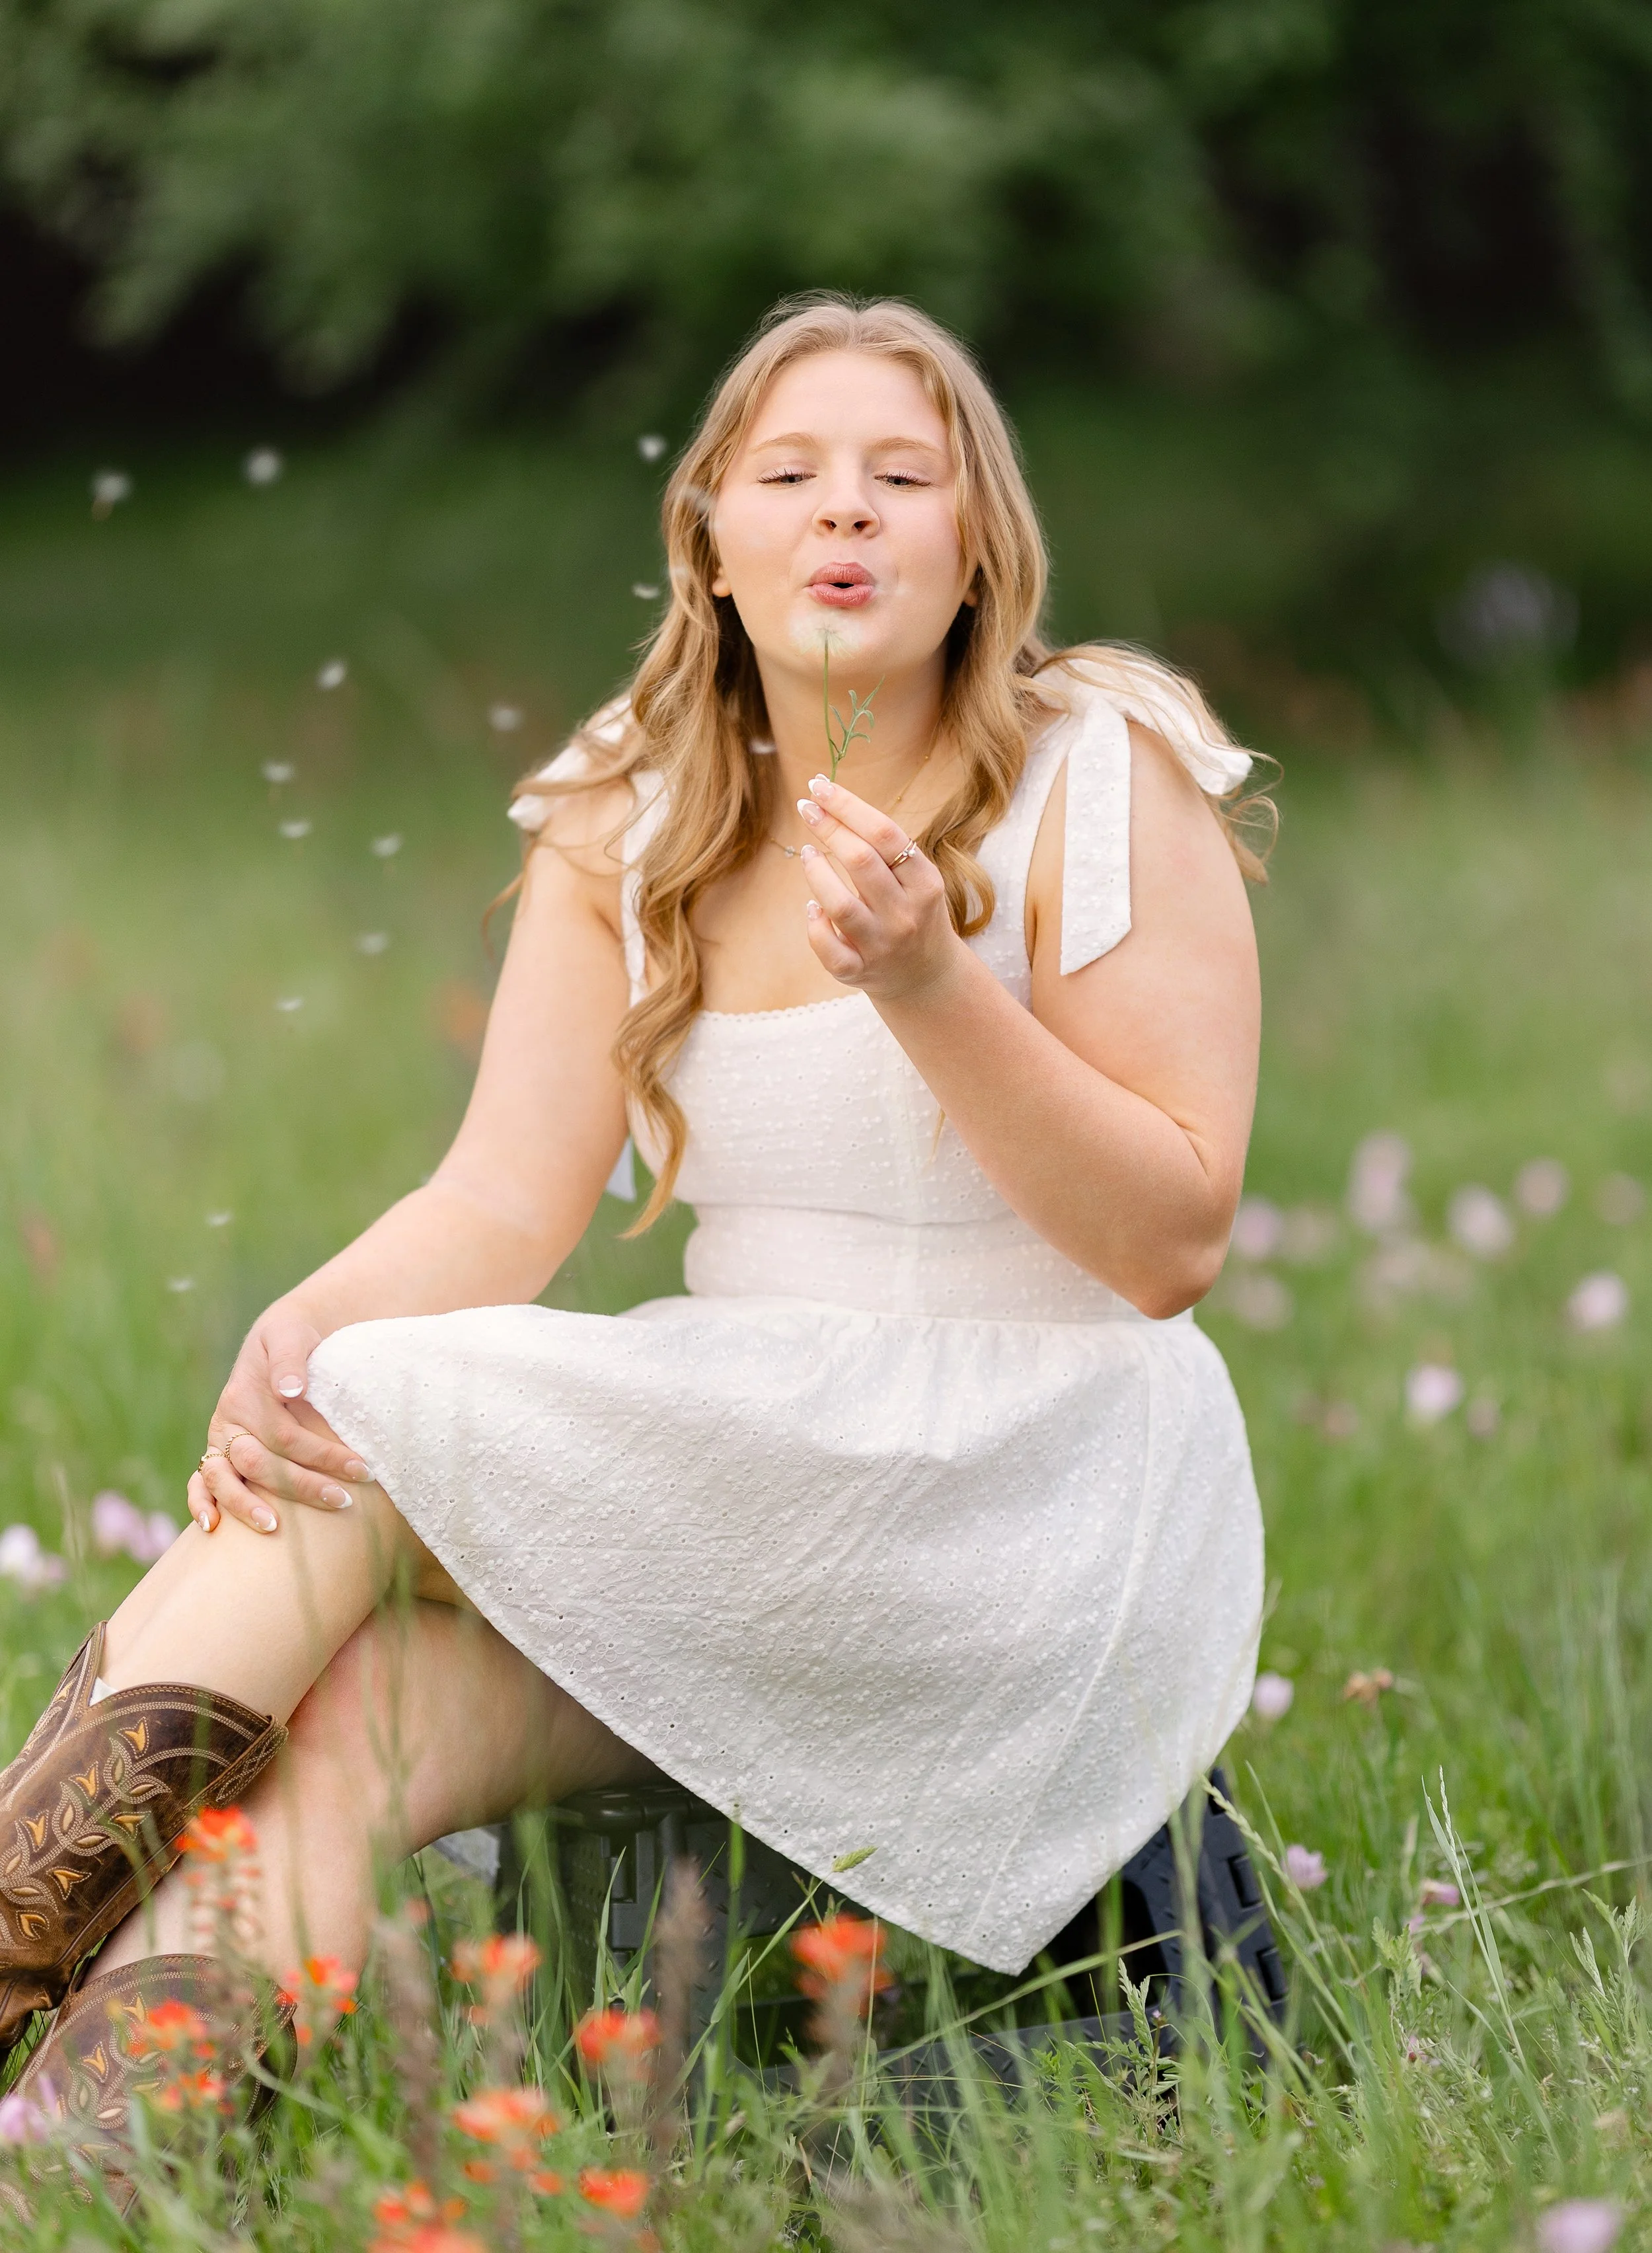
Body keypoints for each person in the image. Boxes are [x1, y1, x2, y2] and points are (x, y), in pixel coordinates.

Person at [0, 294, 1267, 2162]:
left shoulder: (1102, 760)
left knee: (360, 1454)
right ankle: (82, 2172)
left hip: (1029, 1479)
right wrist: (302, 1328)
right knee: (357, 1693)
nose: (846, 513)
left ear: (976, 540)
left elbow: (1168, 1242)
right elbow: (502, 1201)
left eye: (901, 476)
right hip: (745, 1438)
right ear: (711, 540)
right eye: (791, 476)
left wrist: (929, 981)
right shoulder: (631, 804)